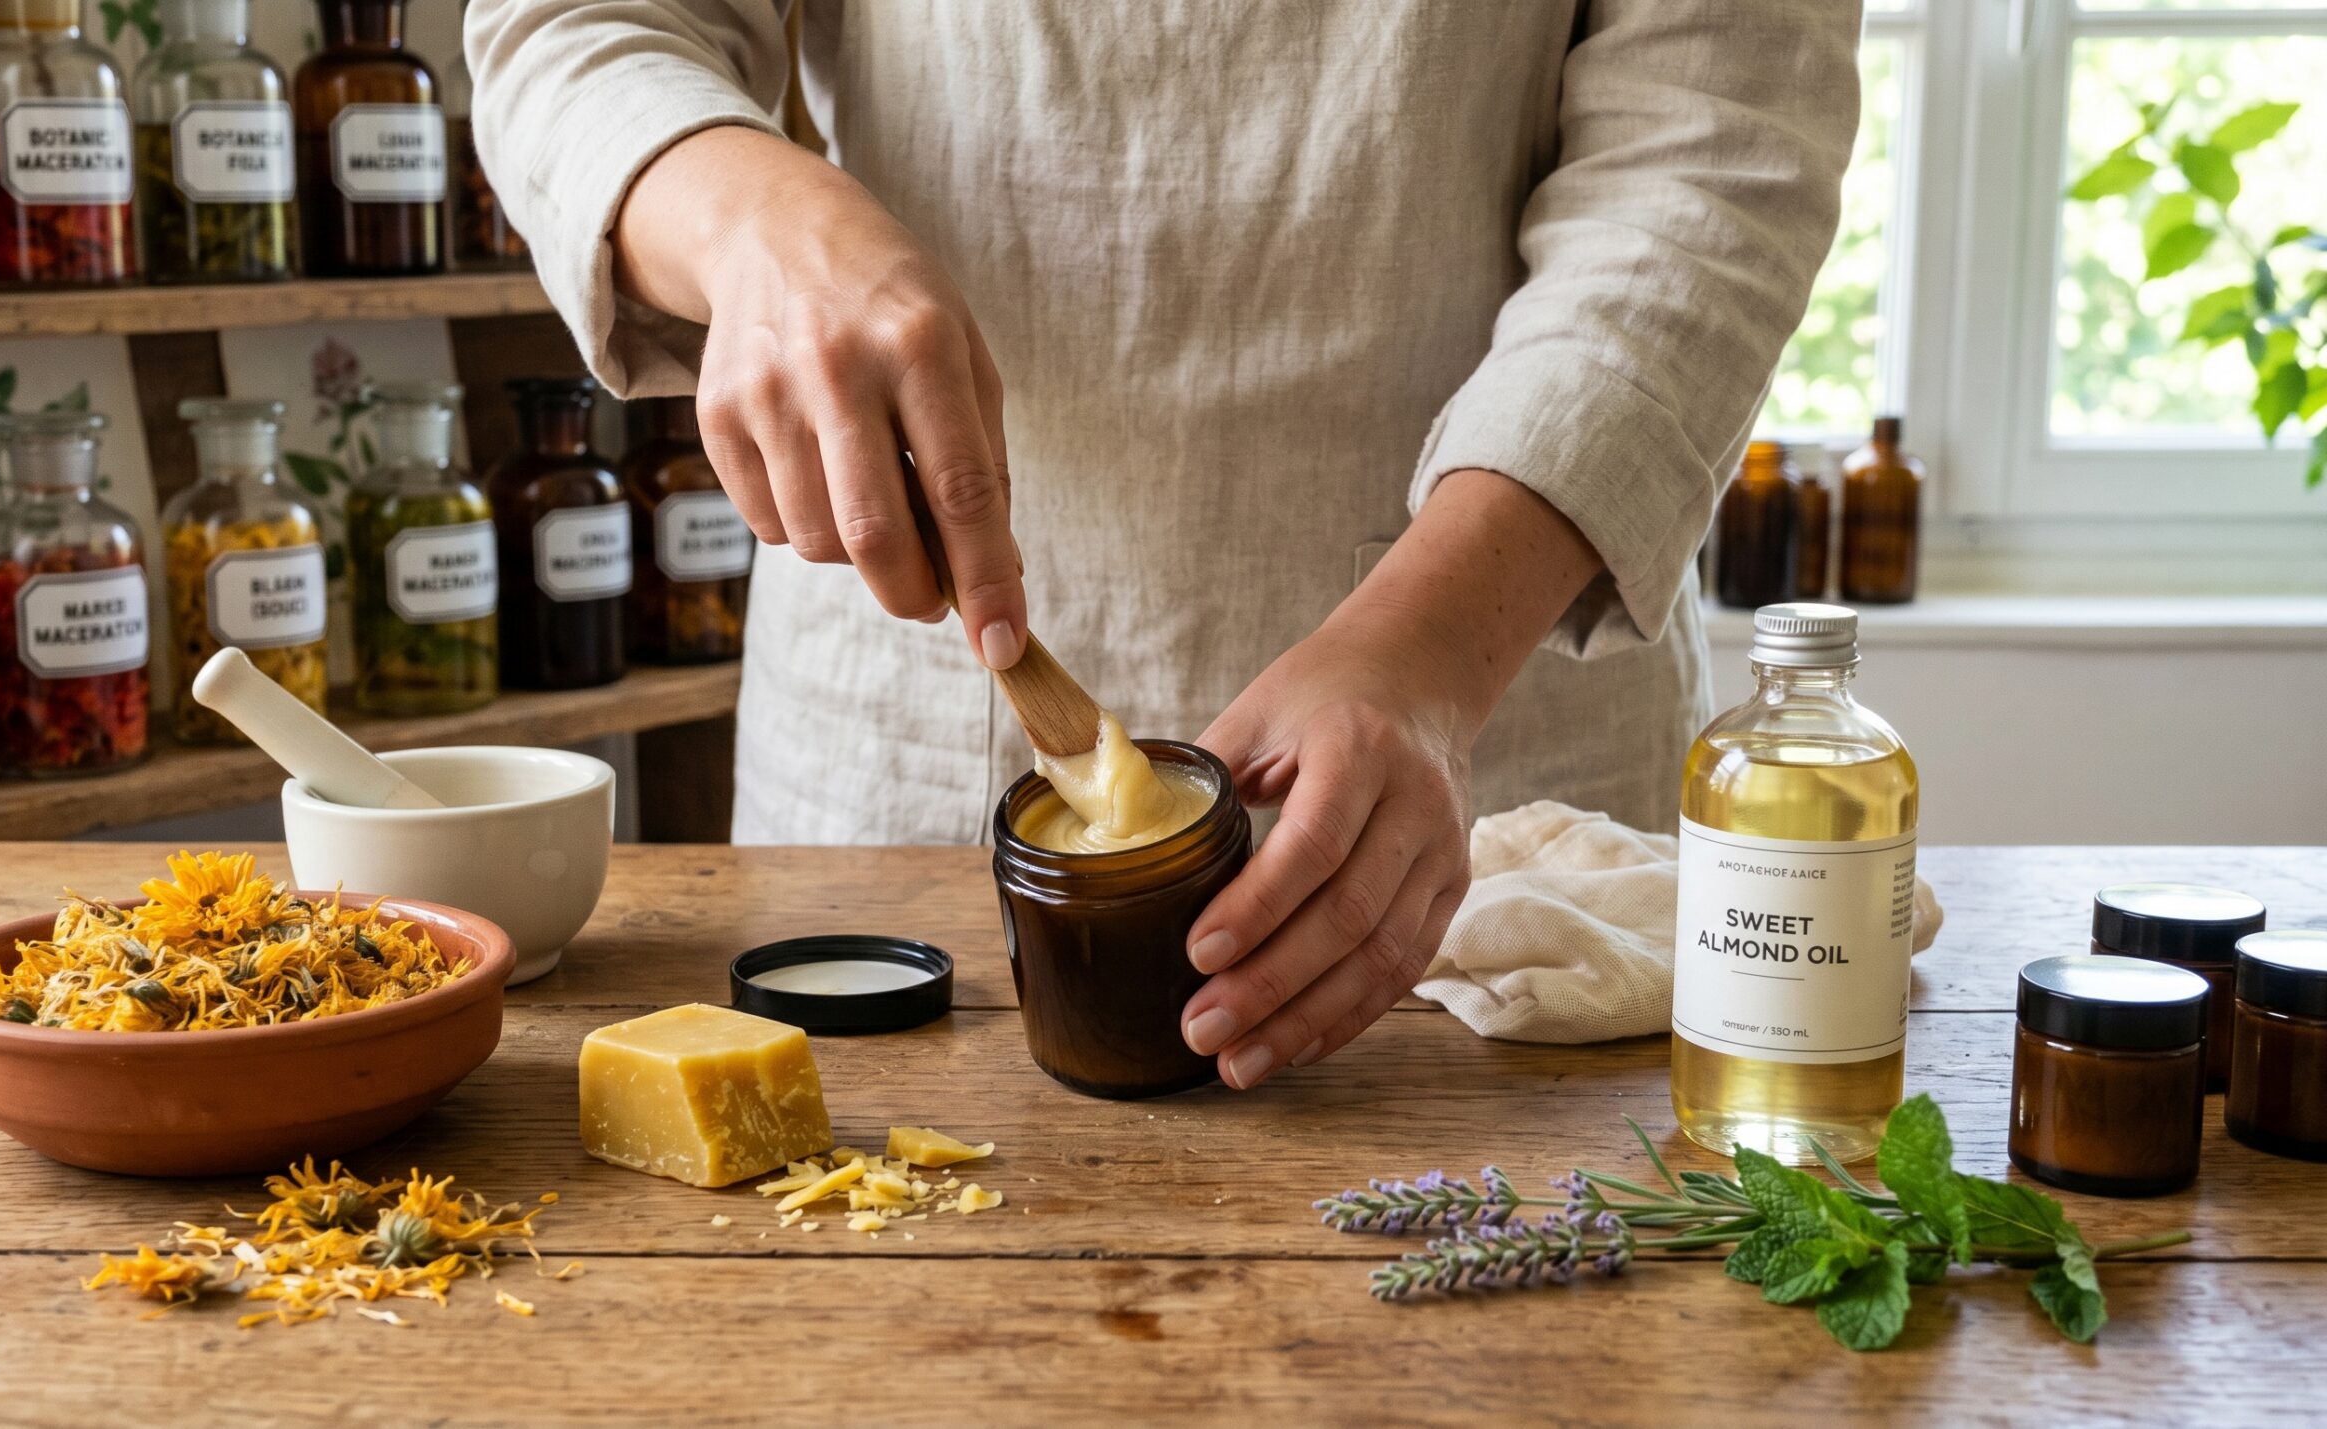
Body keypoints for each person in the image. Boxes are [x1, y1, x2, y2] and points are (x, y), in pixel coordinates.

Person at [465, 1, 1862, 1089]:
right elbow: (577, 25)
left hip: (1501, 733)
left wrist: (1432, 651)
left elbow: (1713, 158)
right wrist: (753, 220)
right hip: (896, 740)